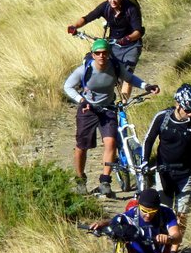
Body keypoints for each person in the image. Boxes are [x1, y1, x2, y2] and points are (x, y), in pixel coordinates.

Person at [63, 38, 160, 196]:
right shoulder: (84, 70)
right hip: (88, 109)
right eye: (98, 53)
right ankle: (80, 179)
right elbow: (67, 86)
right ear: (93, 55)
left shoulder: (115, 66)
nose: (101, 56)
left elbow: (129, 78)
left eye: (104, 53)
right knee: (82, 146)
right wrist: (81, 100)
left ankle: (105, 181)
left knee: (111, 142)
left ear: (109, 54)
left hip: (108, 108)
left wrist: (146, 86)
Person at [142, 84, 191, 253]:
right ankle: (160, 249)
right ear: (178, 105)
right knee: (163, 213)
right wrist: (144, 161)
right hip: (163, 172)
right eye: (188, 110)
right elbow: (149, 139)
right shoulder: (162, 117)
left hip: (186, 173)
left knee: (182, 214)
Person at [67, 0, 144, 100]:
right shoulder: (106, 7)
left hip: (131, 45)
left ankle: (123, 106)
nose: (112, 0)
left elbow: (138, 31)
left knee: (127, 75)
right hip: (113, 44)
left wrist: (127, 39)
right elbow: (87, 18)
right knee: (106, 67)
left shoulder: (131, 9)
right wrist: (74, 26)